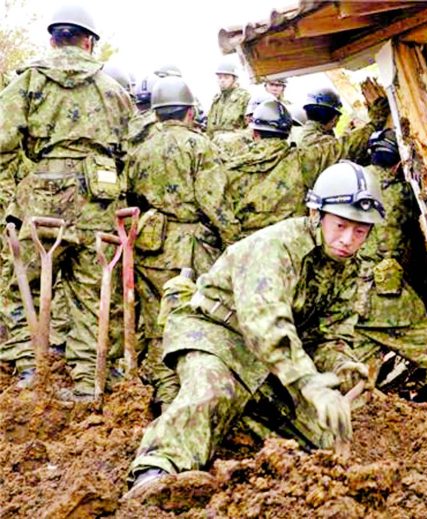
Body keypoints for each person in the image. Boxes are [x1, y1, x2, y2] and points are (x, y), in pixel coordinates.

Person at [123, 162, 384, 502]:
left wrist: (340, 367)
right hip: (217, 334)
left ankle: (238, 422)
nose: (348, 240)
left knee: (320, 435)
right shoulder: (275, 247)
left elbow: (328, 335)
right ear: (315, 213)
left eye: (360, 231)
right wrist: (308, 383)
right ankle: (156, 469)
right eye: (341, 225)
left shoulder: (349, 268)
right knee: (213, 389)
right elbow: (265, 323)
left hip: (272, 358)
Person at [0, 4, 134, 398]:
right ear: (89, 42)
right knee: (92, 291)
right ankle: (89, 381)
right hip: (97, 198)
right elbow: (128, 149)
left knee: (22, 284)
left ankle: (28, 369)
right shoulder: (113, 89)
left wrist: (14, 191)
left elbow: (2, 143)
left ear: (52, 39)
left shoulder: (27, 83)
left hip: (42, 195)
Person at [313, 130, 427, 409]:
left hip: (343, 296)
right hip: (385, 299)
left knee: (356, 373)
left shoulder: (344, 184)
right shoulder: (400, 192)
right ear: (399, 164)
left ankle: (345, 429)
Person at [124, 76, 238, 409]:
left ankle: (164, 391)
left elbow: (131, 197)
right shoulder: (199, 146)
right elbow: (216, 204)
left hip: (150, 244)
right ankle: (193, 395)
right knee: (194, 321)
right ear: (190, 112)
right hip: (191, 247)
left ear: (156, 113)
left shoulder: (140, 148)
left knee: (156, 323)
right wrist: (235, 248)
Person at [226, 99, 319, 238]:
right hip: (290, 244)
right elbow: (345, 147)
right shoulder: (303, 161)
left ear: (255, 133)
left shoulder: (231, 167)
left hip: (245, 248)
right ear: (287, 133)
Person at [297, 83, 390, 186]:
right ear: (334, 118)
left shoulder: (308, 134)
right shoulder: (312, 140)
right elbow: (345, 149)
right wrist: (375, 121)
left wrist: (348, 132)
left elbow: (334, 147)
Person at [206, 60, 250, 137]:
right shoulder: (216, 100)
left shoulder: (244, 97)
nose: (222, 80)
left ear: (235, 79)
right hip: (216, 144)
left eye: (226, 77)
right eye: (220, 77)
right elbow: (209, 128)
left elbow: (250, 127)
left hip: (236, 144)